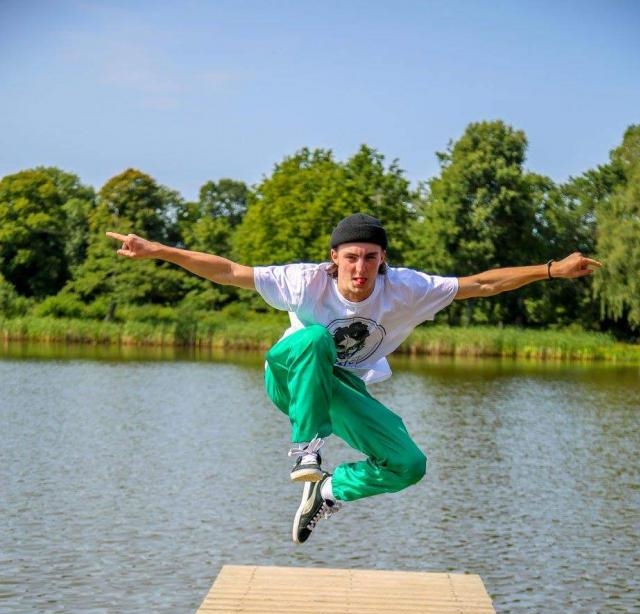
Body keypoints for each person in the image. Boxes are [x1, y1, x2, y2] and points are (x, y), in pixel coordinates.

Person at [107, 215, 601, 544]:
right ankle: (306, 449)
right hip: (289, 378)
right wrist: (158, 250)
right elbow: (229, 271)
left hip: (341, 391)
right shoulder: (305, 280)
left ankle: (326, 492)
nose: (359, 268)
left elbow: (483, 283)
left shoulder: (407, 289)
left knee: (408, 464)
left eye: (369, 257)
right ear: (334, 258)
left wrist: (551, 270)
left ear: (382, 260)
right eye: (350, 257)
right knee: (314, 340)